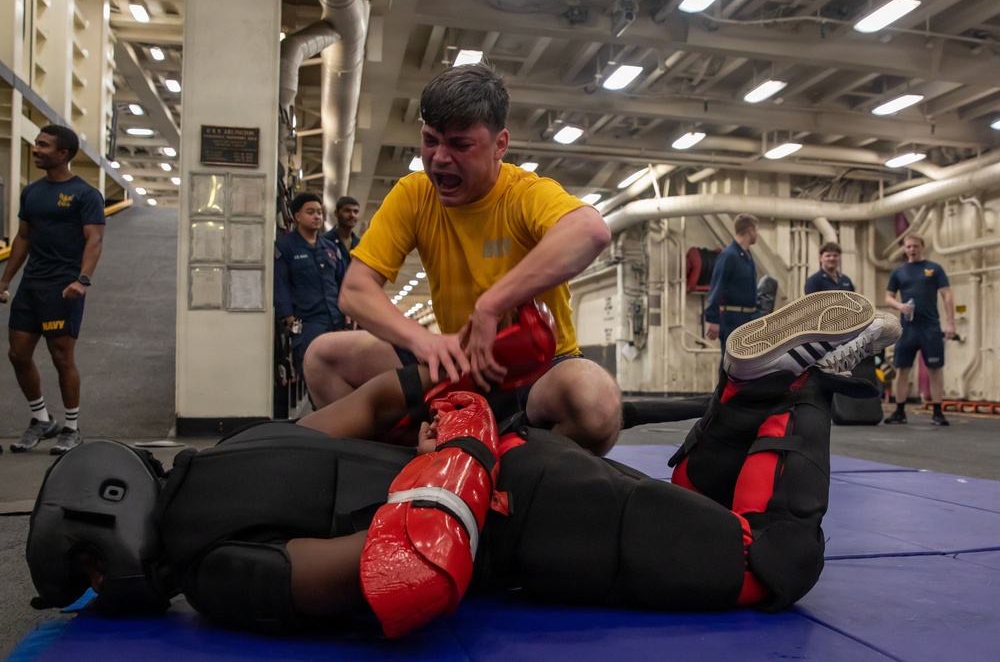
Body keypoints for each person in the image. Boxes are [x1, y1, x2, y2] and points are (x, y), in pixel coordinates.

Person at [26, 291, 901, 639]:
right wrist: (458, 406)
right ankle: (746, 398)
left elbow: (401, 569)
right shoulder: (240, 445)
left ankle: (797, 389)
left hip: (528, 523)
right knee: (690, 512)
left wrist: (458, 443)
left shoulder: (216, 576)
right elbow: (374, 412)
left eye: (90, 566)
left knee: (766, 561)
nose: (100, 578)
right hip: (529, 469)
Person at [304, 61, 620, 455]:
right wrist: (422, 341)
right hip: (458, 365)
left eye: (459, 144)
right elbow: (354, 291)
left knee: (596, 402)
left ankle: (524, 478)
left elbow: (591, 231)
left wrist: (492, 305)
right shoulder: (413, 194)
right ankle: (399, 467)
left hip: (539, 371)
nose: (438, 158)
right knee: (323, 356)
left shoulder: (524, 194)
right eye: (430, 140)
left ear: (499, 145)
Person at [1, 124, 105, 455]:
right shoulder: (31, 192)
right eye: (36, 144)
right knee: (17, 354)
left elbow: (95, 239)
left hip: (63, 287)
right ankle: (41, 420)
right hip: (31, 285)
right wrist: (4, 280)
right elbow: (23, 237)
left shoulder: (85, 195)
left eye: (43, 145)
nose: (36, 149)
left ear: (62, 154)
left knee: (61, 356)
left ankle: (72, 428)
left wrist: (83, 280)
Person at [273, 192, 348, 381]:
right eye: (310, 212)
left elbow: (343, 282)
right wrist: (290, 319)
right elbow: (280, 285)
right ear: (297, 216)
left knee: (340, 376)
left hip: (335, 322)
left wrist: (347, 313)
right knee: (314, 379)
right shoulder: (285, 247)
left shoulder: (330, 248)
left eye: (319, 213)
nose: (317, 217)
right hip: (307, 325)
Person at [883, 235, 955, 426]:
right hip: (907, 328)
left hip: (930, 327)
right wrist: (900, 306)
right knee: (902, 369)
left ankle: (938, 412)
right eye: (908, 246)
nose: (912, 249)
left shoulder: (934, 269)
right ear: (904, 249)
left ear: (922, 246)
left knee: (935, 369)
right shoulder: (899, 272)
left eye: (915, 246)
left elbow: (947, 295)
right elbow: (888, 296)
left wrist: (950, 323)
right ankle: (899, 412)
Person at [704, 213, 760, 362]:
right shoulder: (729, 256)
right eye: (756, 230)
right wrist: (713, 319)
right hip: (732, 320)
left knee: (744, 367)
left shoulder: (746, 255)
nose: (757, 234)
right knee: (730, 365)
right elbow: (717, 287)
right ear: (750, 230)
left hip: (747, 318)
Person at [322, 195, 361, 262]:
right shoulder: (324, 241)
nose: (352, 215)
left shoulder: (360, 244)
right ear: (336, 213)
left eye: (355, 211)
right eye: (347, 211)